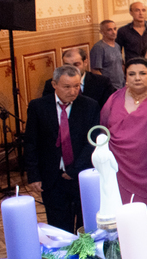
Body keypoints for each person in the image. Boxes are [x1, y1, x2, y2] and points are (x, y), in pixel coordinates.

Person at [24, 66, 100, 232]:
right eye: (67, 87)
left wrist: (74, 169)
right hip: (52, 178)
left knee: (85, 226)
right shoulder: (38, 107)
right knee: (59, 227)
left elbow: (92, 142)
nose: (72, 91)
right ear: (54, 84)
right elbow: (31, 142)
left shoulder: (90, 106)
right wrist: (33, 175)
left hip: (81, 176)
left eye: (76, 86)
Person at [100, 58, 147, 218]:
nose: (137, 78)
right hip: (120, 170)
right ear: (125, 77)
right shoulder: (113, 100)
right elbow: (103, 132)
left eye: (142, 73)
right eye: (132, 74)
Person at [43, 47, 114, 107]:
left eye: (76, 65)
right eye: (67, 65)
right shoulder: (53, 84)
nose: (72, 69)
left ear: (85, 62)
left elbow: (108, 110)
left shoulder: (102, 83)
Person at [91, 20, 126, 90]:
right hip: (109, 88)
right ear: (102, 32)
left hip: (121, 85)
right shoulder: (99, 48)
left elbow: (121, 65)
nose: (113, 32)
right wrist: (106, 86)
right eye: (109, 30)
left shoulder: (117, 46)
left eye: (115, 29)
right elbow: (95, 71)